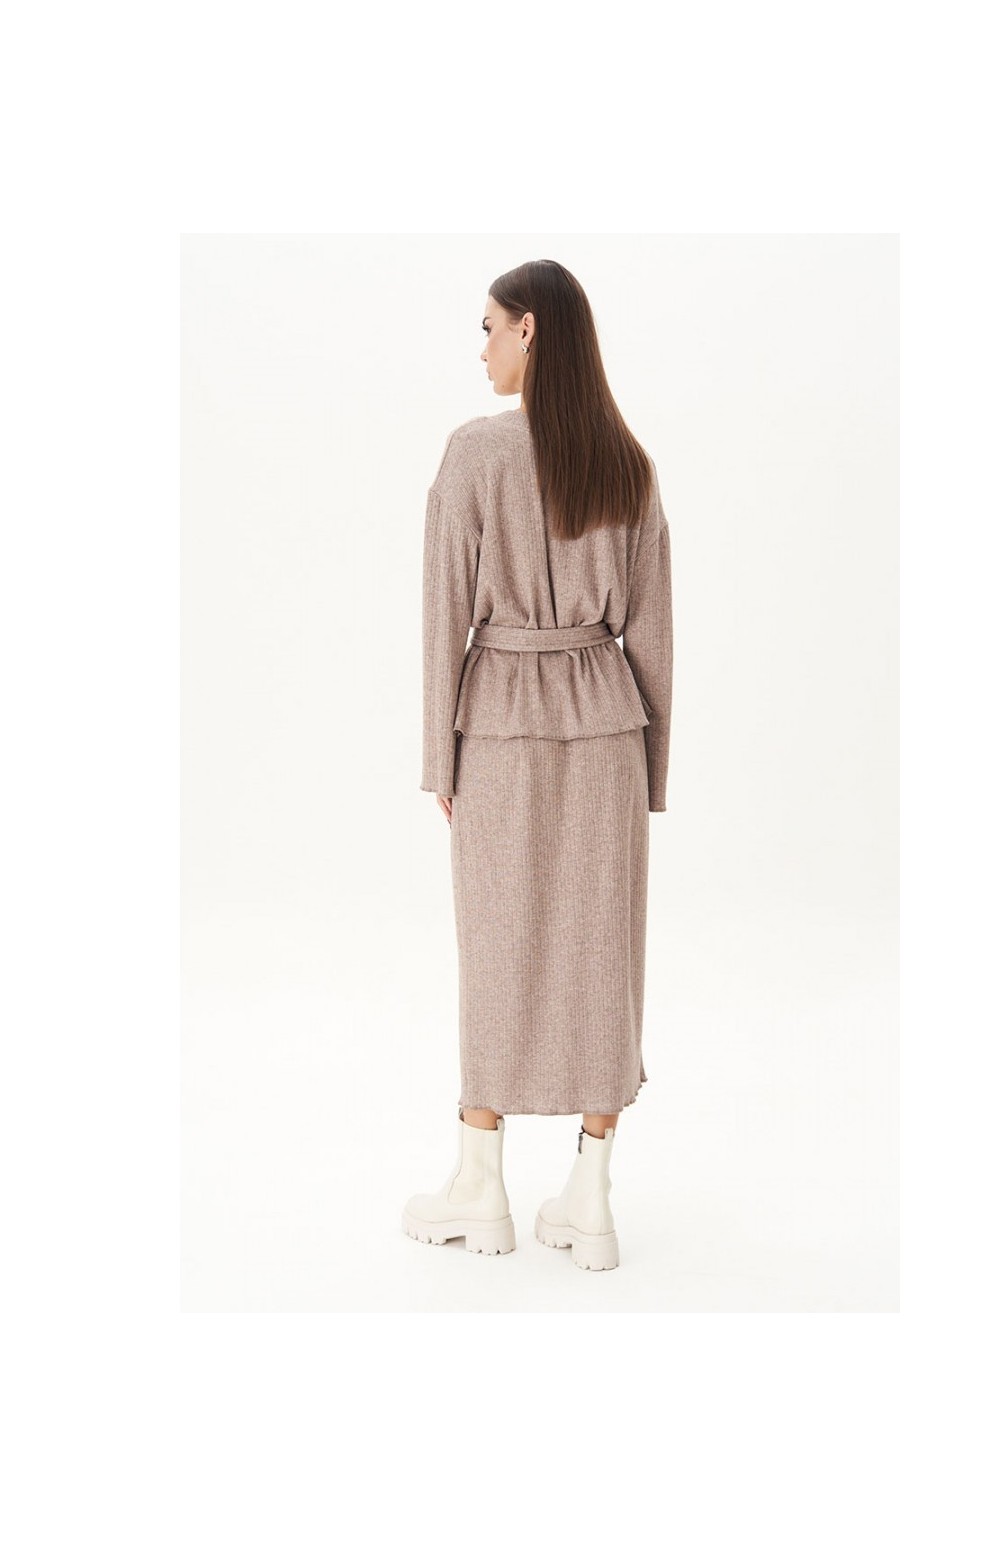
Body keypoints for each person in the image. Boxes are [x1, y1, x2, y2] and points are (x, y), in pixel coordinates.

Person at [403, 259, 673, 1271]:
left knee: (497, 944)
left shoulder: (474, 454)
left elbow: (444, 611)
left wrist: (440, 754)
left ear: (530, 332)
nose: (480, 348)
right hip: (607, 730)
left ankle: (481, 1185)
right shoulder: (627, 463)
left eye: (489, 327)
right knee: (605, 950)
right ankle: (590, 1197)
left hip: (501, 725)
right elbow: (653, 634)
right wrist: (651, 772)